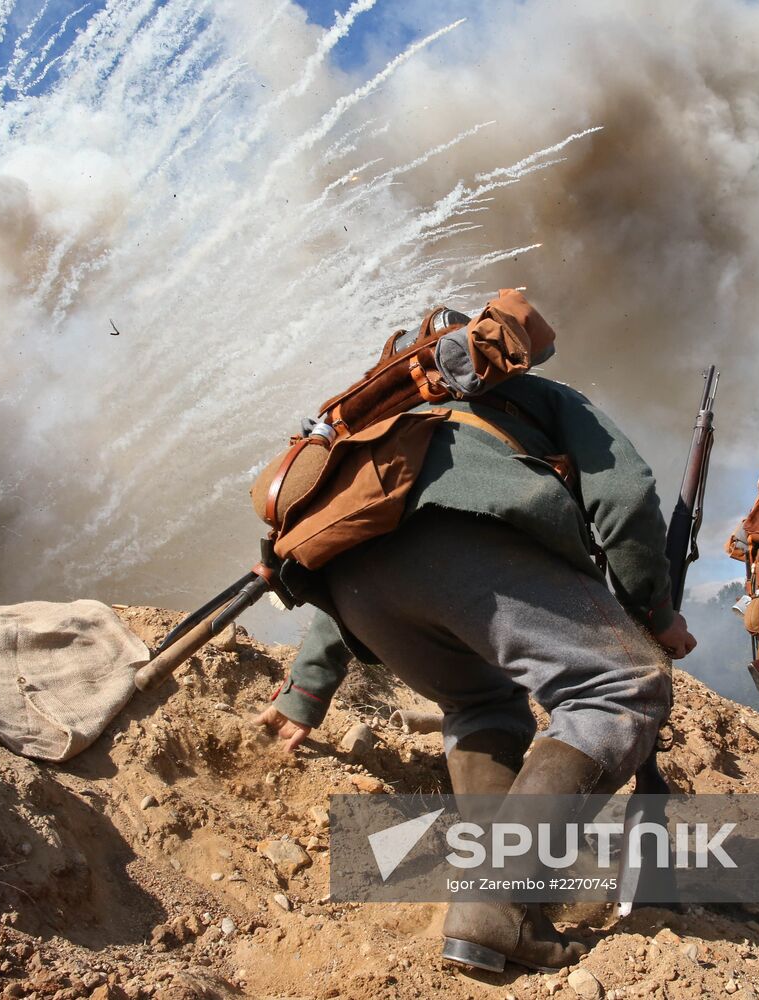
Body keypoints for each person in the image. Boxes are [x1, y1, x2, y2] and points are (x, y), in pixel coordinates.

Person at [255, 310, 696, 973]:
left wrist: (307, 692)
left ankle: (502, 905)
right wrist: (653, 613)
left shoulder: (373, 435)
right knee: (620, 685)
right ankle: (497, 908)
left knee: (481, 704)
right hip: (462, 543)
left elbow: (361, 537)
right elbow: (626, 494)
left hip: (351, 590)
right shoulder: (532, 396)